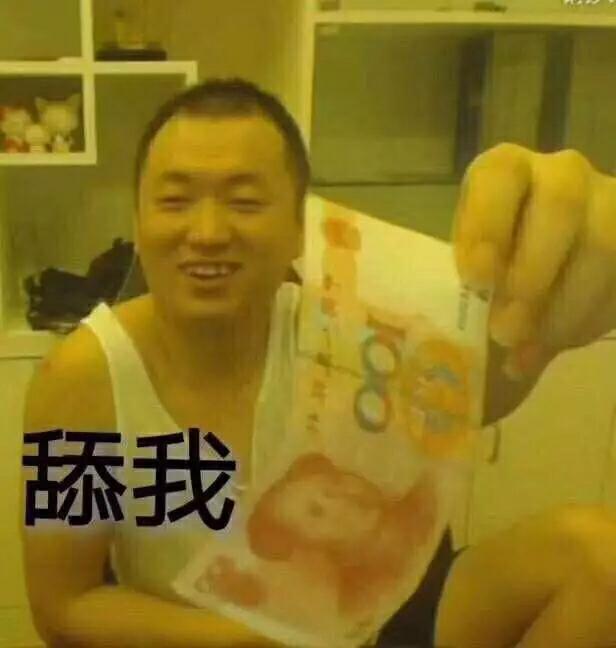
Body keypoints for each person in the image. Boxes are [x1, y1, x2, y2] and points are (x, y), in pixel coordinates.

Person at [20, 78, 616, 648]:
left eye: (245, 202)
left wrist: (544, 304)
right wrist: (263, 640)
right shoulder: (82, 381)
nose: (206, 232)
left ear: (298, 230)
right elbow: (66, 605)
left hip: (373, 610)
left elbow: (478, 390)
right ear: (138, 221)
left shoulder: (351, 327)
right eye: (175, 201)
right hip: (197, 635)